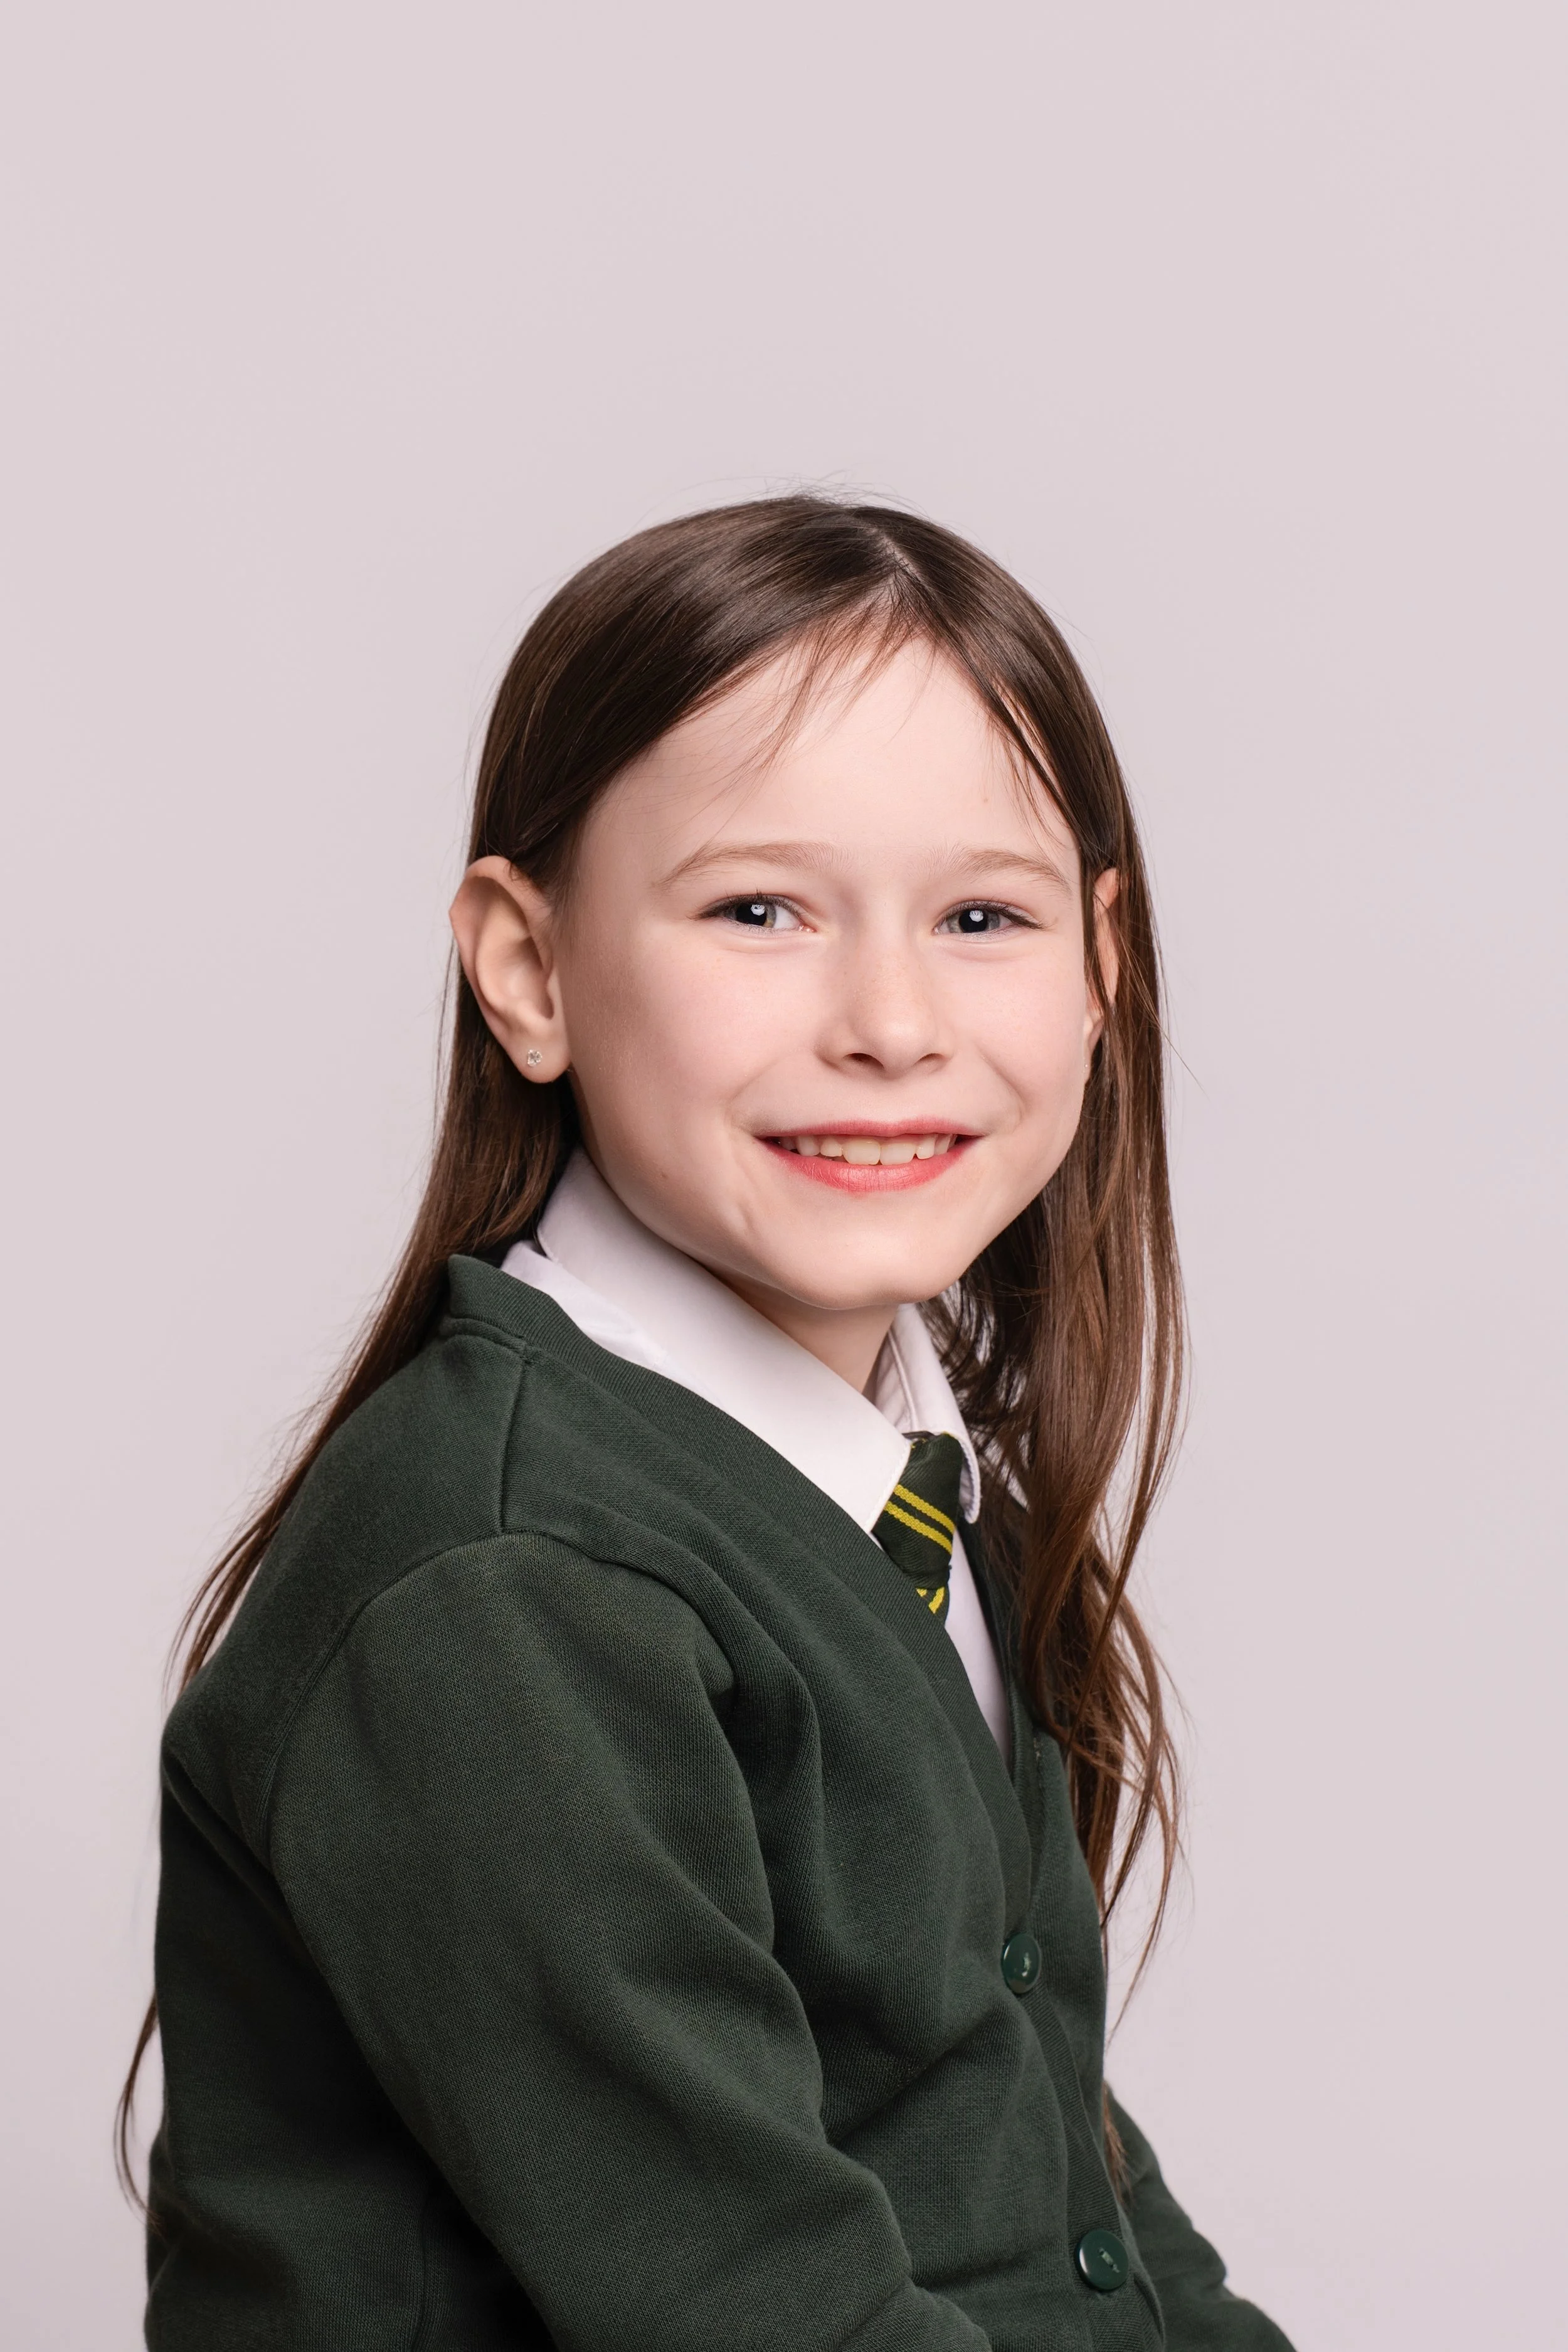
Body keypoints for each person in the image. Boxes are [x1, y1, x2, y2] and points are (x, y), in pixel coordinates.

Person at [130, 496, 1295, 2349]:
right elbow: (756, 2306)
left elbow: (1054, 2174)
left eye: (981, 917)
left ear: (1102, 962)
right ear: (527, 968)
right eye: (760, 909)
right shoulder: (511, 1582)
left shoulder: (897, 1479)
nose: (889, 1021)